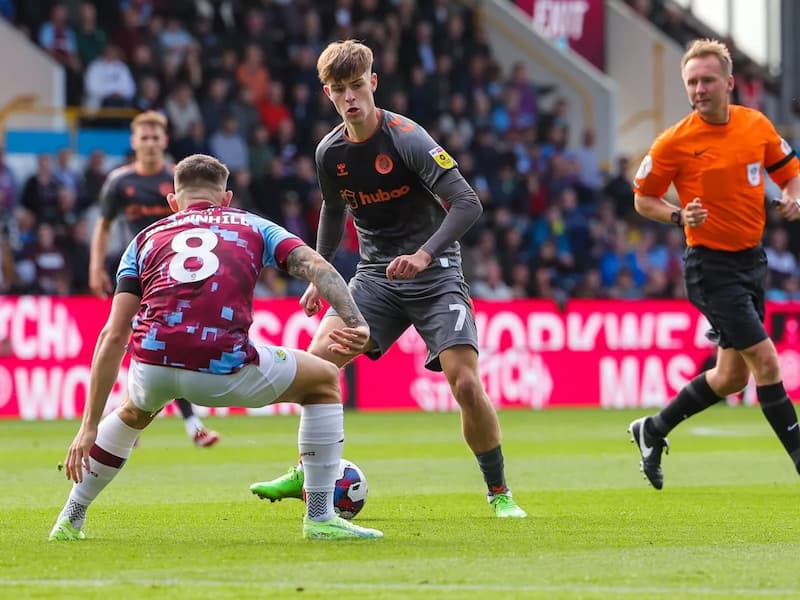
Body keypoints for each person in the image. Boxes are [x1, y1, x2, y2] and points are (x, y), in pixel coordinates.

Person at [250, 40, 527, 518]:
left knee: (464, 382)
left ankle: (499, 491)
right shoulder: (329, 152)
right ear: (328, 94)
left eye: (357, 86)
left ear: (373, 83)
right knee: (316, 366)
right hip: (374, 278)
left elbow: (467, 204)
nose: (351, 97)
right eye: (340, 90)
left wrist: (423, 255)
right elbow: (334, 211)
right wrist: (319, 272)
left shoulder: (407, 139)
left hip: (436, 274)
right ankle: (306, 470)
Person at [49, 154, 383, 542]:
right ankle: (321, 517)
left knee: (134, 411)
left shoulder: (143, 239)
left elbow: (113, 334)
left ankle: (70, 520)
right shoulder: (254, 225)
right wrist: (356, 321)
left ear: (173, 202)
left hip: (151, 365)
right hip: (222, 366)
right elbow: (320, 268)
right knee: (323, 380)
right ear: (226, 199)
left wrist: (87, 425)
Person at [629, 38, 800, 489]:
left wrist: (793, 194)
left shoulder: (755, 126)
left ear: (729, 82)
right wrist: (677, 215)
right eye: (692, 82)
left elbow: (790, 170)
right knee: (766, 361)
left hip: (751, 261)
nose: (699, 89)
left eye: (707, 80)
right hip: (710, 267)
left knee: (730, 376)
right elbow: (643, 197)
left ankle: (652, 429)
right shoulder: (675, 141)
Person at [89, 111, 220, 447]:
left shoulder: (179, 178)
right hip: (138, 269)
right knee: (144, 340)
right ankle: (183, 423)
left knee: (159, 342)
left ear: (164, 140)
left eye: (155, 138)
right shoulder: (119, 182)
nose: (149, 144)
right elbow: (103, 227)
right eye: (143, 138)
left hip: (178, 271)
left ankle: (130, 418)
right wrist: (95, 268)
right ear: (134, 142)